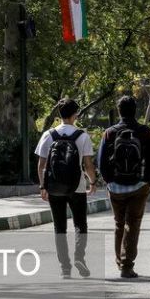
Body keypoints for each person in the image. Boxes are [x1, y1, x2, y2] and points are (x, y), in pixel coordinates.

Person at [97, 96, 150, 279]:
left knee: (119, 224)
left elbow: (101, 161)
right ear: (136, 110)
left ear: (119, 111)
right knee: (132, 224)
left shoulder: (109, 133)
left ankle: (120, 261)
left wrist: (109, 180)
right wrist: (149, 180)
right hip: (139, 186)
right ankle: (126, 265)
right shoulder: (145, 132)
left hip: (115, 187)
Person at [35, 98, 96, 279]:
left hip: (54, 187)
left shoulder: (48, 135)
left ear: (59, 115)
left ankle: (65, 268)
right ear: (75, 114)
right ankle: (79, 256)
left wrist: (42, 186)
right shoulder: (82, 136)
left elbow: (41, 165)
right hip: (76, 187)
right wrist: (92, 182)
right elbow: (88, 165)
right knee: (80, 224)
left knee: (59, 227)